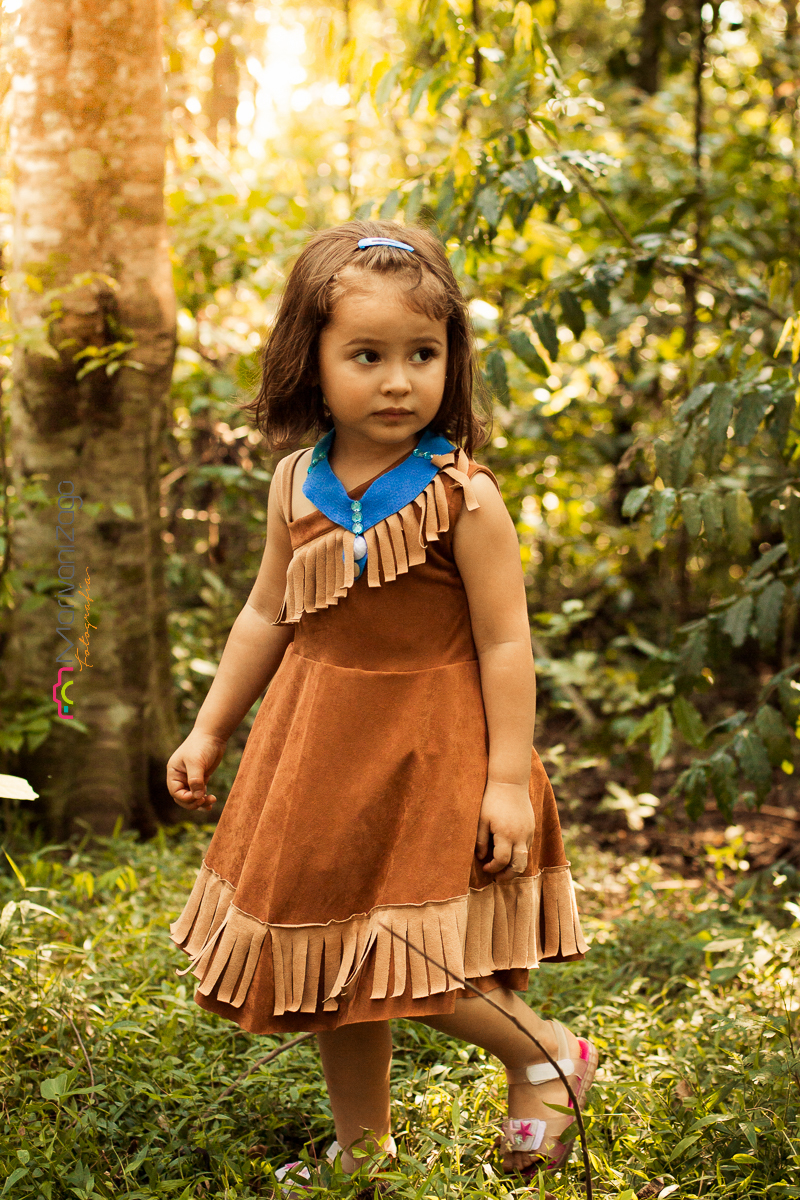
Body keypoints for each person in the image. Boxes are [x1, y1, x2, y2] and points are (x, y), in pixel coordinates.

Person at [166, 219, 596, 1191]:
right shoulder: (294, 484)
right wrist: (209, 727)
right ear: (311, 364)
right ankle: (361, 1151)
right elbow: (266, 614)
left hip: (432, 753)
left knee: (403, 952)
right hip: (316, 749)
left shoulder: (463, 497)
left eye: (422, 355)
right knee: (328, 954)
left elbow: (506, 644)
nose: (399, 381)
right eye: (367, 356)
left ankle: (544, 1055)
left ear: (451, 359)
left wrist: (505, 782)